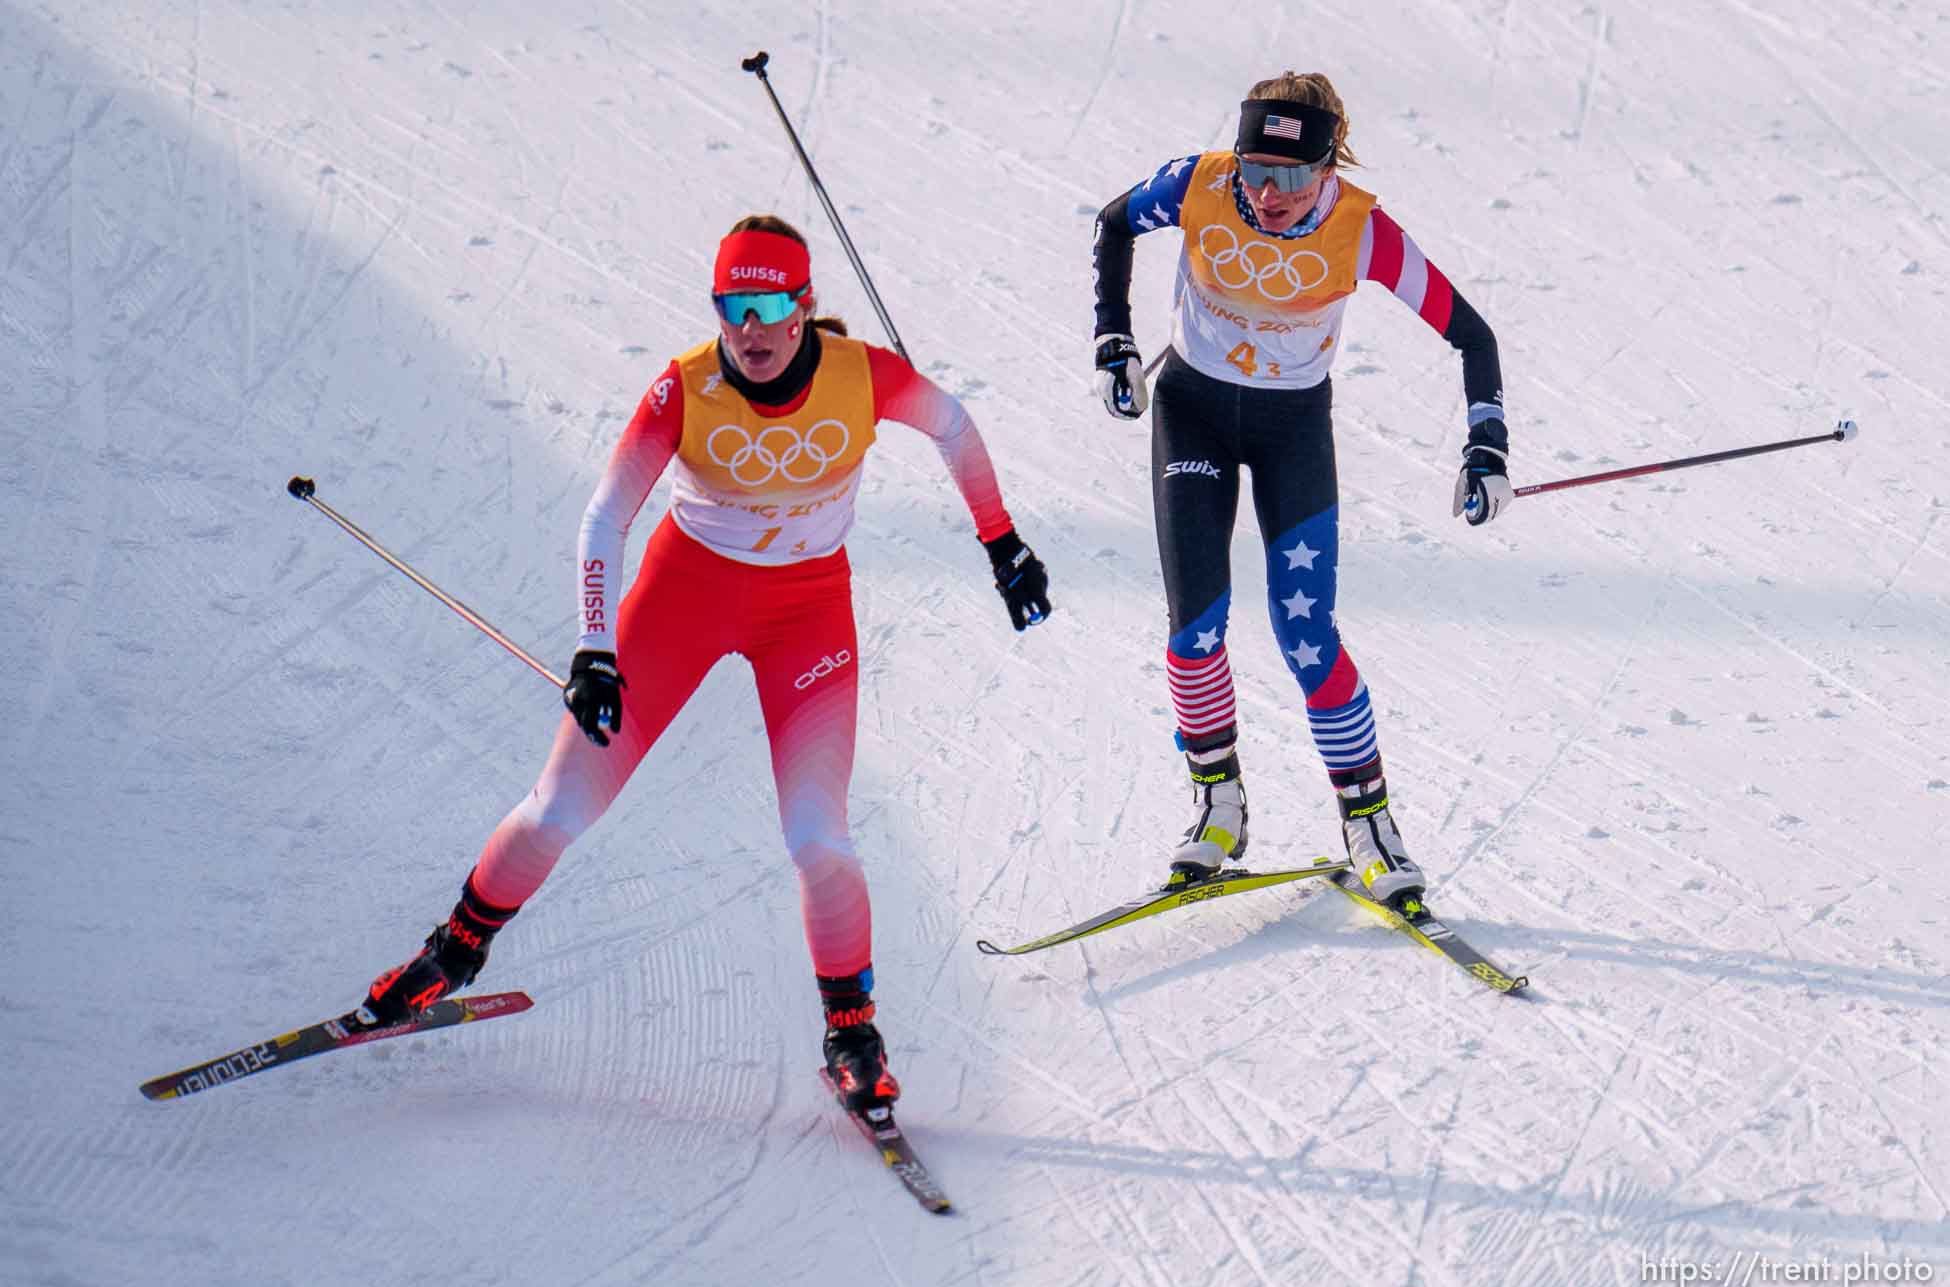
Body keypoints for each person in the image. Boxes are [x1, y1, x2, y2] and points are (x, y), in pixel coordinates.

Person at [357, 215, 1052, 1114]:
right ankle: (453, 949)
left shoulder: (863, 375)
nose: (750, 331)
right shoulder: (683, 389)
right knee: (561, 805)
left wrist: (1003, 544)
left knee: (818, 837)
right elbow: (605, 518)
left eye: (768, 306)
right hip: (681, 602)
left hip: (805, 616)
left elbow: (955, 430)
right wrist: (595, 649)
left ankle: (852, 1032)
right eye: (732, 309)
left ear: (804, 307)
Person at [1088, 71, 1511, 914]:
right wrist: (1112, 337)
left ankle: (1371, 822)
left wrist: (1486, 443)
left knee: (1307, 634)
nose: (1269, 194)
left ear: (1327, 171)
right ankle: (1219, 805)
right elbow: (1112, 223)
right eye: (1255, 170)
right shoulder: (1198, 183)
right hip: (1194, 415)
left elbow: (1473, 335)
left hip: (1291, 433)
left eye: (1291, 177)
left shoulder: (1363, 232)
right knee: (1194, 630)